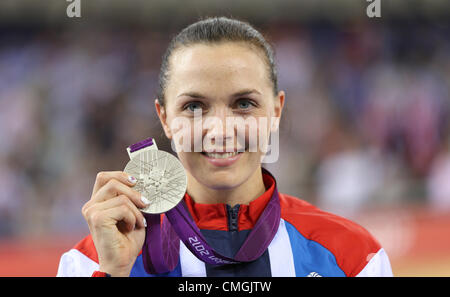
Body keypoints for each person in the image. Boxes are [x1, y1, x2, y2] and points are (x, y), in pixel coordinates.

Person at [57, 16, 393, 277]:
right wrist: (113, 272)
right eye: (193, 106)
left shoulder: (352, 256)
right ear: (164, 118)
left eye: (244, 103)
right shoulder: (91, 261)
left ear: (276, 111)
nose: (219, 129)